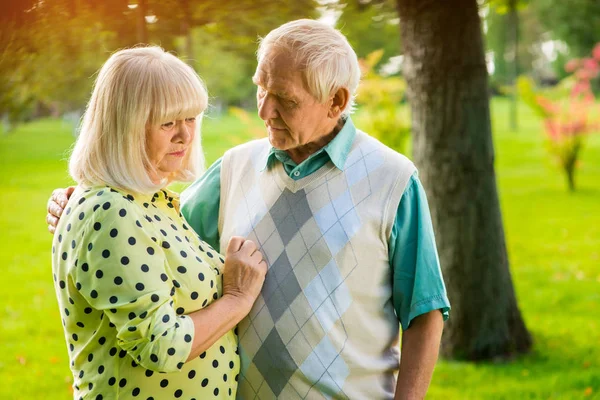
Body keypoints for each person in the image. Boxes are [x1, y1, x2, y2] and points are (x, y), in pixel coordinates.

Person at [48, 20, 450, 399]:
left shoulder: (393, 180)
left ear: (336, 101)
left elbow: (424, 311)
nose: (264, 111)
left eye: (285, 100)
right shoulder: (233, 168)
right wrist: (84, 200)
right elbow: (151, 233)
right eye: (262, 89)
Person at [49, 46, 267, 400]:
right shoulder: (110, 210)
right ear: (124, 126)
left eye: (191, 118)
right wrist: (237, 300)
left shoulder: (154, 201)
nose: (185, 135)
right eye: (168, 122)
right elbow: (161, 347)